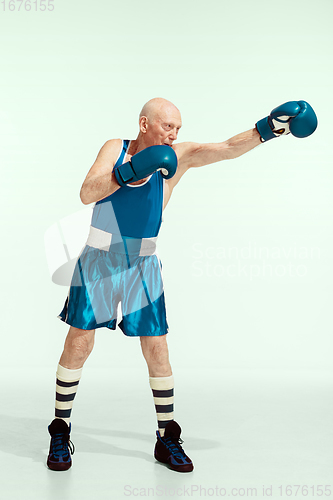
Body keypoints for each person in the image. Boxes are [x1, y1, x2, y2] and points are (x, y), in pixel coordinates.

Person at [46, 97, 317, 473]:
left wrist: (270, 128)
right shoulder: (116, 148)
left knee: (157, 349)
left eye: (178, 128)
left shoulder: (179, 156)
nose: (174, 135)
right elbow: (87, 192)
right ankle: (60, 429)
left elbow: (225, 149)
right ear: (144, 125)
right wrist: (128, 172)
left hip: (143, 263)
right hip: (100, 257)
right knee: (79, 342)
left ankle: (166, 436)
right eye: (167, 127)